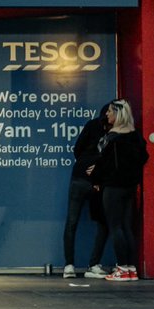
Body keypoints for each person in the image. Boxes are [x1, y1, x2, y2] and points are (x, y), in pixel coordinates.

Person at [89, 99, 148, 282]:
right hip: (130, 187)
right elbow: (143, 157)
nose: (107, 114)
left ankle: (122, 268)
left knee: (115, 227)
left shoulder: (112, 137)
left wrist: (95, 173)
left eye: (110, 112)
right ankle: (131, 269)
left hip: (113, 187)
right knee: (126, 226)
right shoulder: (135, 136)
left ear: (118, 114)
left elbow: (103, 162)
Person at [62, 101, 112, 279]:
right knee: (102, 221)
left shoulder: (92, 125)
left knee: (72, 221)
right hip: (96, 181)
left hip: (80, 177)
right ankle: (94, 264)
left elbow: (78, 149)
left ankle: (69, 265)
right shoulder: (114, 133)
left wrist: (86, 163)